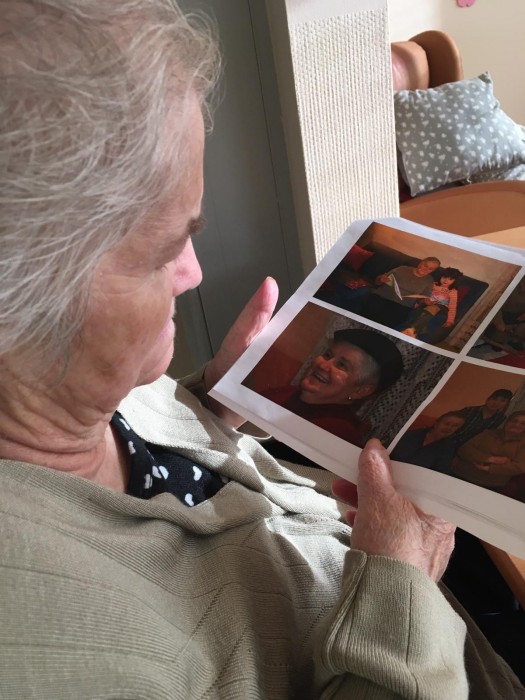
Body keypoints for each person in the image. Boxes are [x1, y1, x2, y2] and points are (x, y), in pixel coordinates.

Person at [0, 3, 523, 698]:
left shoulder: (60, 384)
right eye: (162, 253)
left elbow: (148, 452)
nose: (193, 273)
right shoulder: (54, 649)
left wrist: (209, 404)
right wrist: (401, 585)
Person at [263, 328, 404, 447]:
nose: (322, 365)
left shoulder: (337, 434)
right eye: (327, 355)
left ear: (360, 391)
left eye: (342, 365)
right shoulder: (288, 392)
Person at [452, 412, 525, 491]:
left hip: (491, 484)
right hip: (462, 474)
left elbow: (520, 467)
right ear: (507, 422)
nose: (517, 425)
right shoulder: (488, 433)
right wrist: (490, 459)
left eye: (523, 424)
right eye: (514, 421)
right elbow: (464, 449)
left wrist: (489, 468)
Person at [391, 411, 466, 474]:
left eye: (455, 426)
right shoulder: (412, 435)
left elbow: (440, 472)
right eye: (447, 424)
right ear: (436, 423)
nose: (449, 428)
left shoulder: (448, 448)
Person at [401, 267, 463, 339]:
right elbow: (424, 293)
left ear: (455, 281)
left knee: (432, 308)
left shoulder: (453, 291)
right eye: (444, 277)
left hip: (441, 306)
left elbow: (452, 306)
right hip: (427, 303)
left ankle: (412, 329)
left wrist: (450, 320)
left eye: (450, 279)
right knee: (419, 309)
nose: (446, 280)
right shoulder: (433, 284)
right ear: (440, 276)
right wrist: (421, 301)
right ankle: (416, 331)